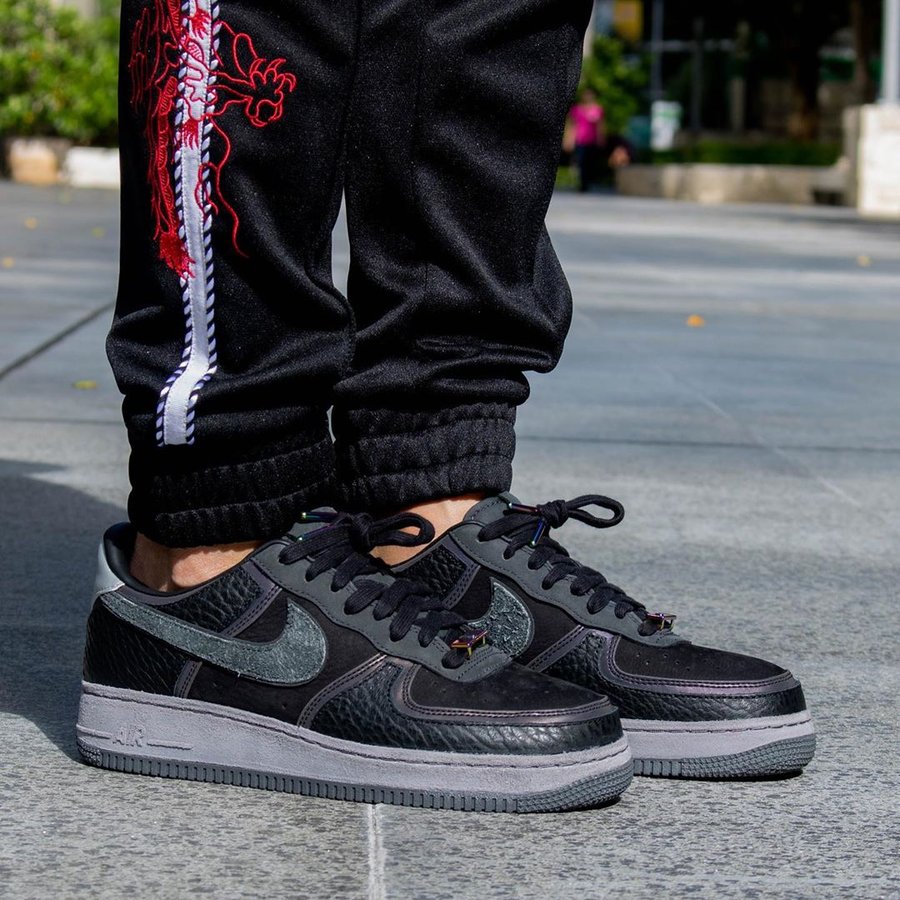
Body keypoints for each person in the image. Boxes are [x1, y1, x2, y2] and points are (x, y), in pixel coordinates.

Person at [76, 0, 814, 811]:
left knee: (492, 14)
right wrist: (220, 481)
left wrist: (435, 452)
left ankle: (427, 510)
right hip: (210, 515)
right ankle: (207, 561)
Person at [568, 88, 605, 191]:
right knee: (580, 161)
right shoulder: (577, 109)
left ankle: (587, 182)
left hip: (592, 140)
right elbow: (573, 125)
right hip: (580, 140)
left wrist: (601, 138)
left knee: (589, 162)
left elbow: (601, 125)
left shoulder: (597, 109)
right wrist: (569, 139)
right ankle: (582, 184)